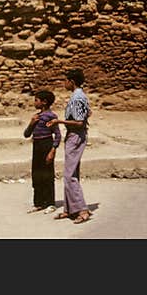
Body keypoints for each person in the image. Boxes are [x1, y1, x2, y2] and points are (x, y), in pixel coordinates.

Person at [47, 68, 92, 224]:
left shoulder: (77, 98)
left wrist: (59, 122)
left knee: (69, 175)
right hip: (74, 135)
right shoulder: (80, 96)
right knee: (71, 173)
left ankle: (82, 210)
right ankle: (69, 209)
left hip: (75, 136)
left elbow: (79, 122)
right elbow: (88, 113)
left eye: (65, 80)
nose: (64, 83)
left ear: (71, 82)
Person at [23, 89, 61, 213]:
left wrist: (53, 150)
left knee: (48, 174)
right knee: (37, 174)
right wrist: (32, 123)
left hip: (46, 145)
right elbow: (26, 134)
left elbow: (58, 135)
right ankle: (39, 202)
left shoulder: (51, 117)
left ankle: (50, 203)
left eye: (36, 100)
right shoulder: (36, 117)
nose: (34, 102)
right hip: (37, 146)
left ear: (44, 102)